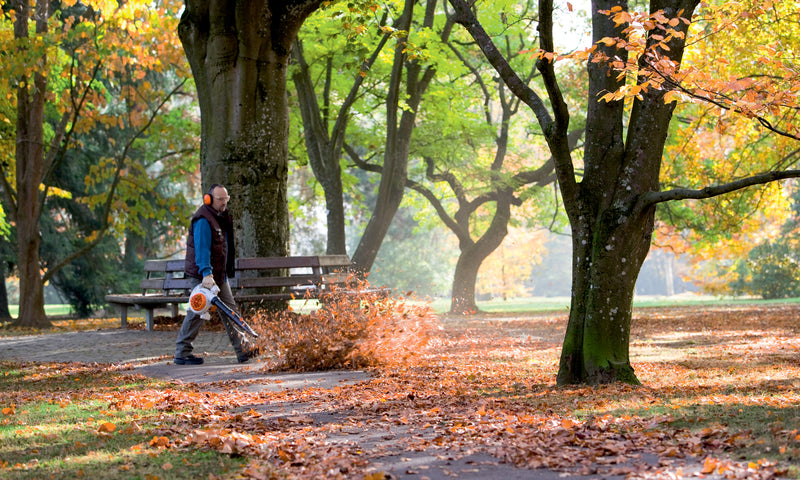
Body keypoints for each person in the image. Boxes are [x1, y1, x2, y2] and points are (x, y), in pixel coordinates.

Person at [174, 183, 257, 365]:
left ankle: (242, 349)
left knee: (230, 311)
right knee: (197, 311)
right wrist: (206, 274)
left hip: (218, 275)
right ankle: (182, 352)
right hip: (203, 275)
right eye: (219, 199)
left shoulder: (220, 218)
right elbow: (202, 250)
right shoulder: (204, 220)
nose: (223, 203)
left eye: (225, 199)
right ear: (209, 199)